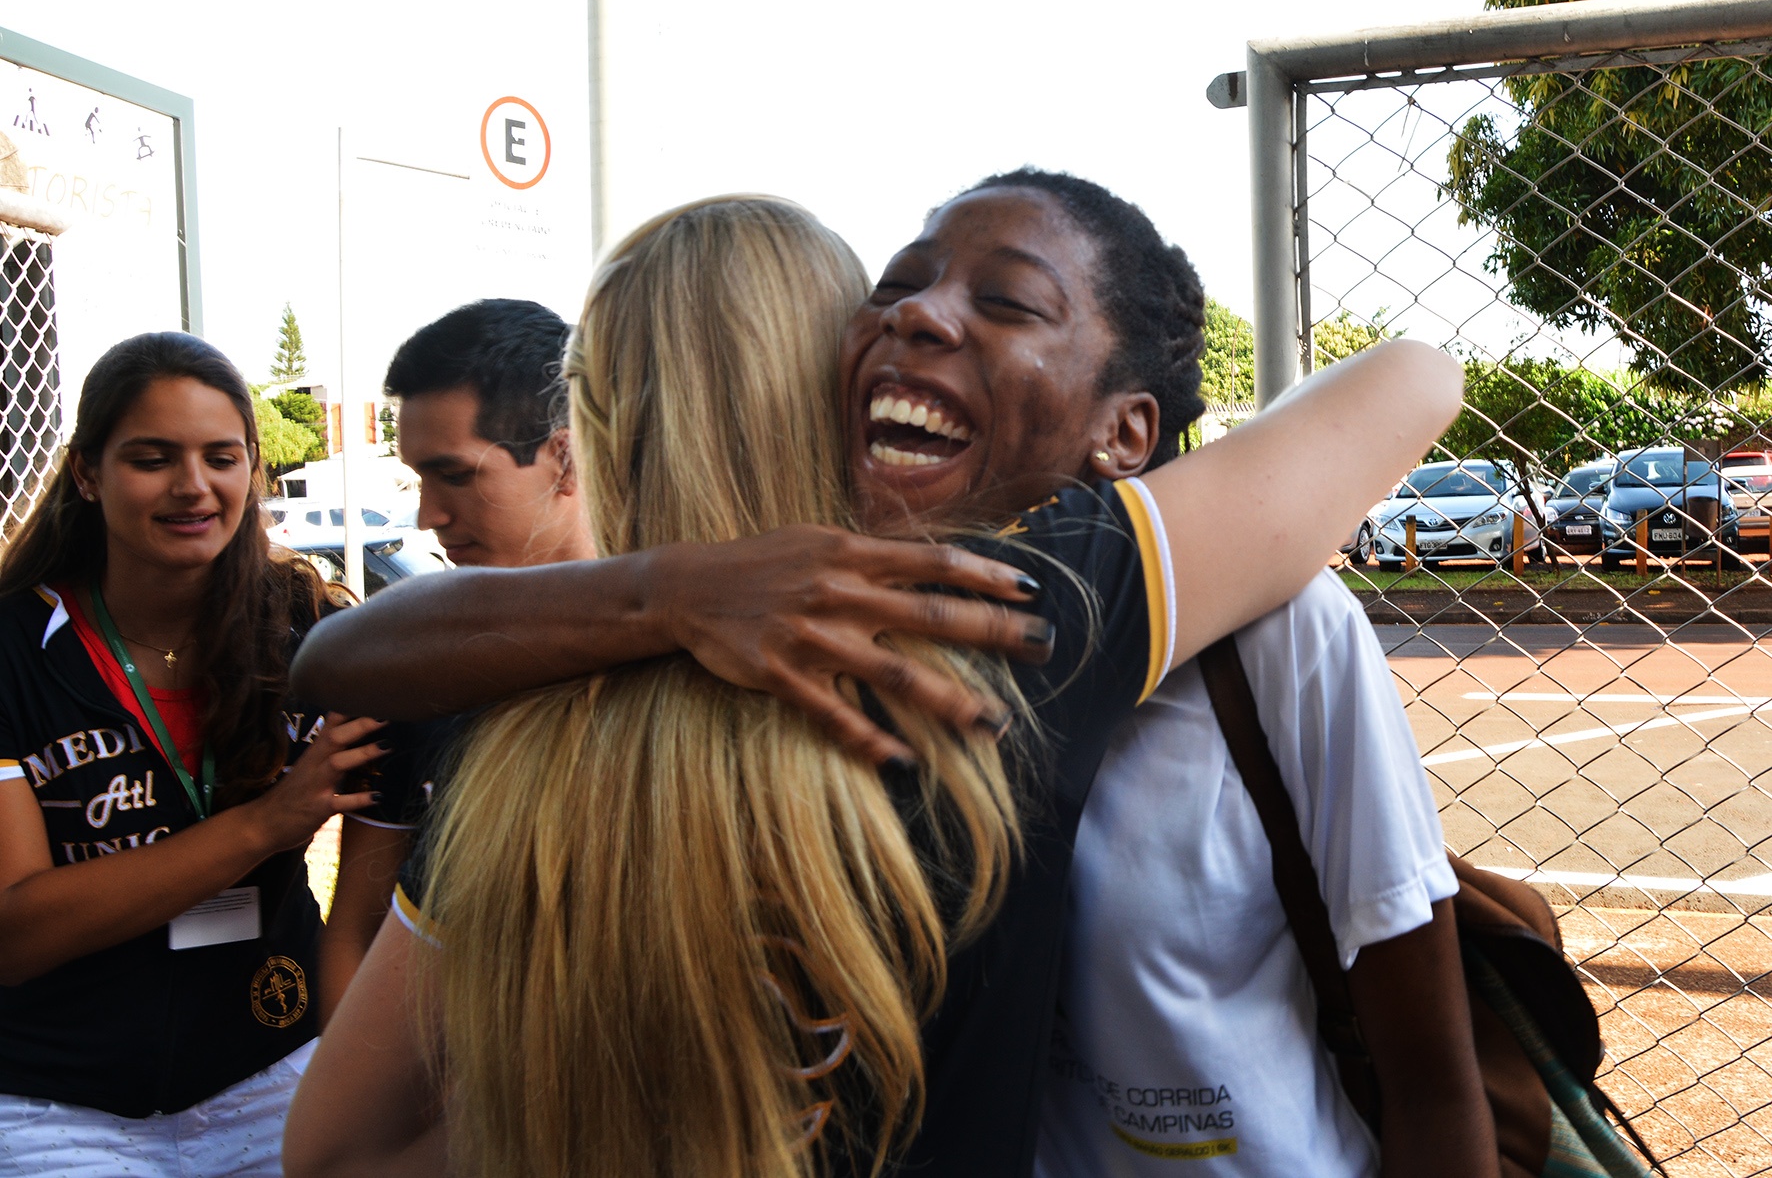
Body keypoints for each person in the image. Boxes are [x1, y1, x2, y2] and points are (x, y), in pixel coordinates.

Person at [286, 183, 1463, 1178]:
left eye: (995, 300)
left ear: (587, 424)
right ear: (826, 382)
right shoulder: (992, 625)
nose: (915, 323)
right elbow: (1413, 374)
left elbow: (332, 1151)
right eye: (888, 297)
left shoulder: (523, 740)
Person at [0, 332, 387, 1176]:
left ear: (253, 466)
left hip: (271, 1064)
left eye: (222, 456)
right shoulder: (12, 649)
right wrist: (268, 824)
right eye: (151, 457)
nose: (193, 486)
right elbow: (17, 928)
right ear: (87, 472)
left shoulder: (312, 630)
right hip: (57, 1102)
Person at [317, 298, 595, 1024]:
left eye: (457, 476)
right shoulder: (420, 663)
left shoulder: (695, 648)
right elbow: (357, 927)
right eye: (418, 480)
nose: (426, 516)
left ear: (563, 457)